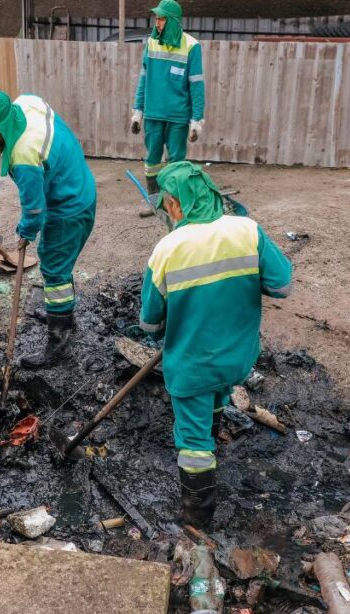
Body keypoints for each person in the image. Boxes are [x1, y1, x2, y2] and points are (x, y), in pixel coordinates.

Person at [138, 161, 293, 526]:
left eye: (166, 204)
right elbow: (282, 286)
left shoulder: (167, 249)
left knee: (192, 443)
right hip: (238, 359)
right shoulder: (248, 231)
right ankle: (214, 427)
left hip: (193, 366)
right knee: (218, 391)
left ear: (175, 204)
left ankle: (198, 518)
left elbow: (149, 323)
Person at [0, 89, 96, 368]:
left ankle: (59, 343)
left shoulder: (24, 154)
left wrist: (24, 232)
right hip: (77, 182)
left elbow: (35, 211)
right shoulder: (28, 103)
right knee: (57, 266)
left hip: (70, 206)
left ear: (2, 125)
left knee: (54, 270)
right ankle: (60, 314)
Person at [130, 0, 205, 213]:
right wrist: (138, 111)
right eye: (156, 18)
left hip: (178, 116)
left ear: (172, 20)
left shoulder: (192, 46)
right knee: (152, 160)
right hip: (154, 113)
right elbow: (144, 78)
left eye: (161, 18)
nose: (157, 22)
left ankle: (174, 203)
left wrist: (196, 119)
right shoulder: (151, 43)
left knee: (176, 162)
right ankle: (155, 203)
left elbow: (197, 85)